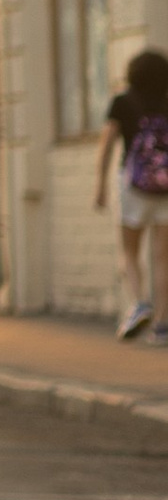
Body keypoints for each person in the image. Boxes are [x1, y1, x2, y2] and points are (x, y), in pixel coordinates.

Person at [95, 47, 168, 341]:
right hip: (166, 187)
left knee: (129, 251)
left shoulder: (122, 103)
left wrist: (99, 186)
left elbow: (107, 145)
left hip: (133, 186)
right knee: (163, 258)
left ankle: (139, 303)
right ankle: (163, 324)